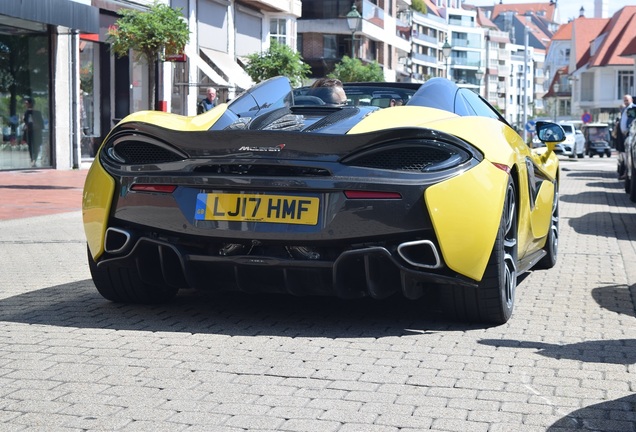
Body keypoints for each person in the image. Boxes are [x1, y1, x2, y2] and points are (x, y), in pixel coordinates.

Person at [617, 94, 635, 179]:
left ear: (631, 100)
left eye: (627, 100)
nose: (625, 102)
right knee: (625, 155)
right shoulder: (625, 109)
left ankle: (627, 173)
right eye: (624, 100)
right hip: (624, 135)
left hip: (630, 134)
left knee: (628, 156)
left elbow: (632, 121)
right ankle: (626, 172)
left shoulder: (633, 109)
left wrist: (628, 130)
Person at [23, 97, 43, 167]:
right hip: (29, 132)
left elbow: (41, 124)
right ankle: (32, 159)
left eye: (27, 103)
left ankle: (35, 159)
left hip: (36, 132)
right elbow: (25, 122)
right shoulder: (26, 113)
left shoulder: (37, 113)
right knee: (30, 146)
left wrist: (36, 126)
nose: (26, 105)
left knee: (36, 146)